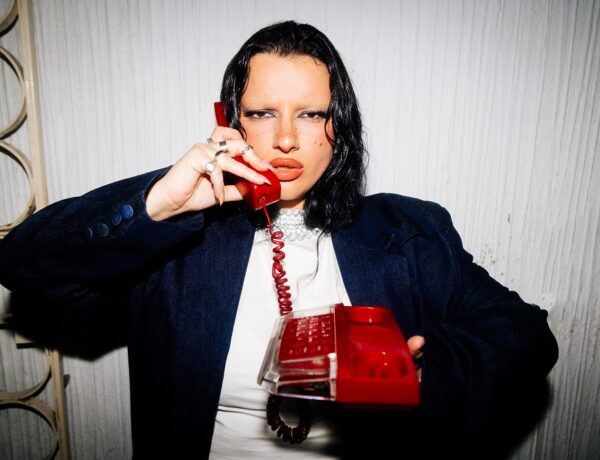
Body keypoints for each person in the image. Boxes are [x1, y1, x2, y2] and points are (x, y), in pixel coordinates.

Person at [0, 21, 557, 459]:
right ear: (230, 122)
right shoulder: (177, 248)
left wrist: (424, 376)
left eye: (311, 114)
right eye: (263, 113)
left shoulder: (410, 231)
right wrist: (159, 204)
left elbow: (527, 337)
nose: (286, 138)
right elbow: (23, 265)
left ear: (340, 128)